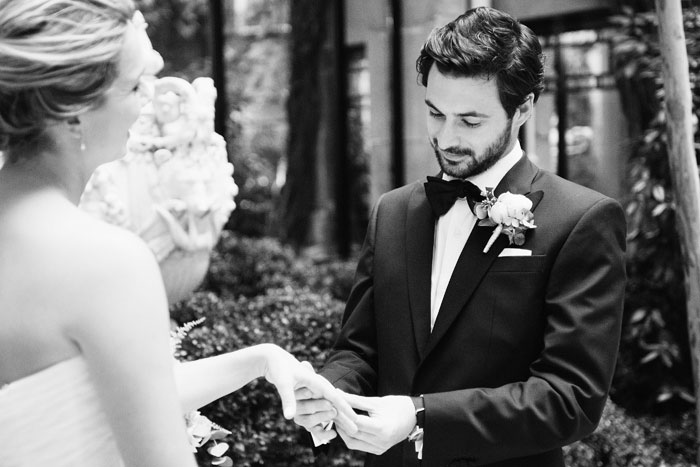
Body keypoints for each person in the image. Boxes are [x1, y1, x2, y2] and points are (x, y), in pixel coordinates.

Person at [0, 1, 355, 466]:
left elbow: (84, 395)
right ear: (72, 112)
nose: (151, 97)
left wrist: (261, 359)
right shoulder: (105, 262)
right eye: (134, 85)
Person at [294, 6, 627, 467]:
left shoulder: (582, 220)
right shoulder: (392, 212)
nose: (446, 137)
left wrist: (420, 417)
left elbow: (570, 398)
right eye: (435, 113)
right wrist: (332, 392)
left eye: (470, 121)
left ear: (523, 109)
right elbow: (361, 349)